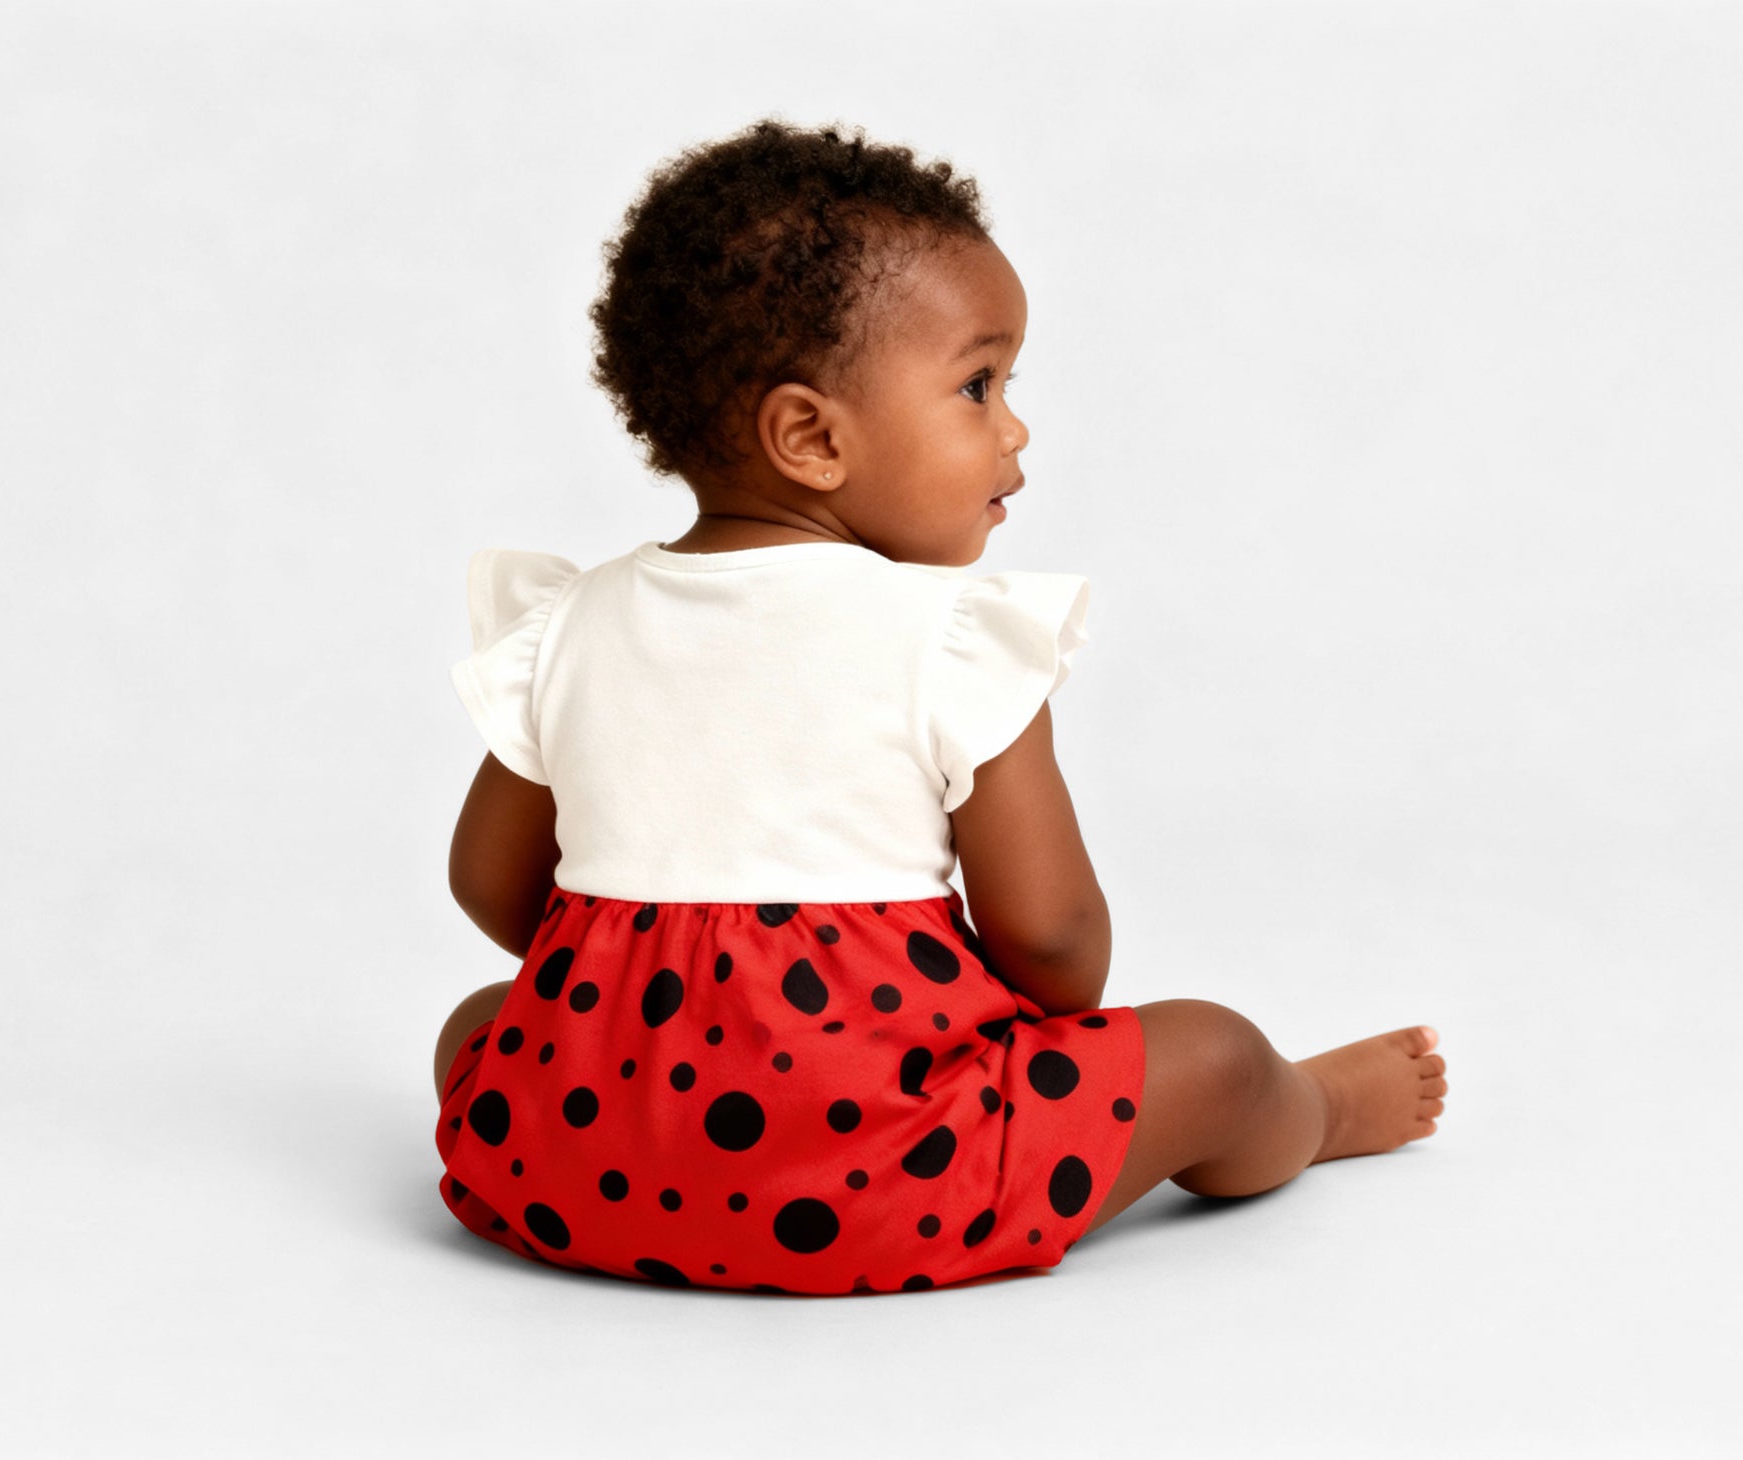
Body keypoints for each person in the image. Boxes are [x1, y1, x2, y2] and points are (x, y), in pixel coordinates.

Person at [431, 118, 1448, 1296]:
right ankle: (1314, 1109)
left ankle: (618, 1157)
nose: (1013, 427)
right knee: (1215, 1052)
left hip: (578, 1174)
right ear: (810, 436)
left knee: (480, 1025)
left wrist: (653, 1001)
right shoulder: (952, 637)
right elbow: (1053, 946)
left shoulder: (571, 622)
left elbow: (490, 884)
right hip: (882, 1182)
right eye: (976, 385)